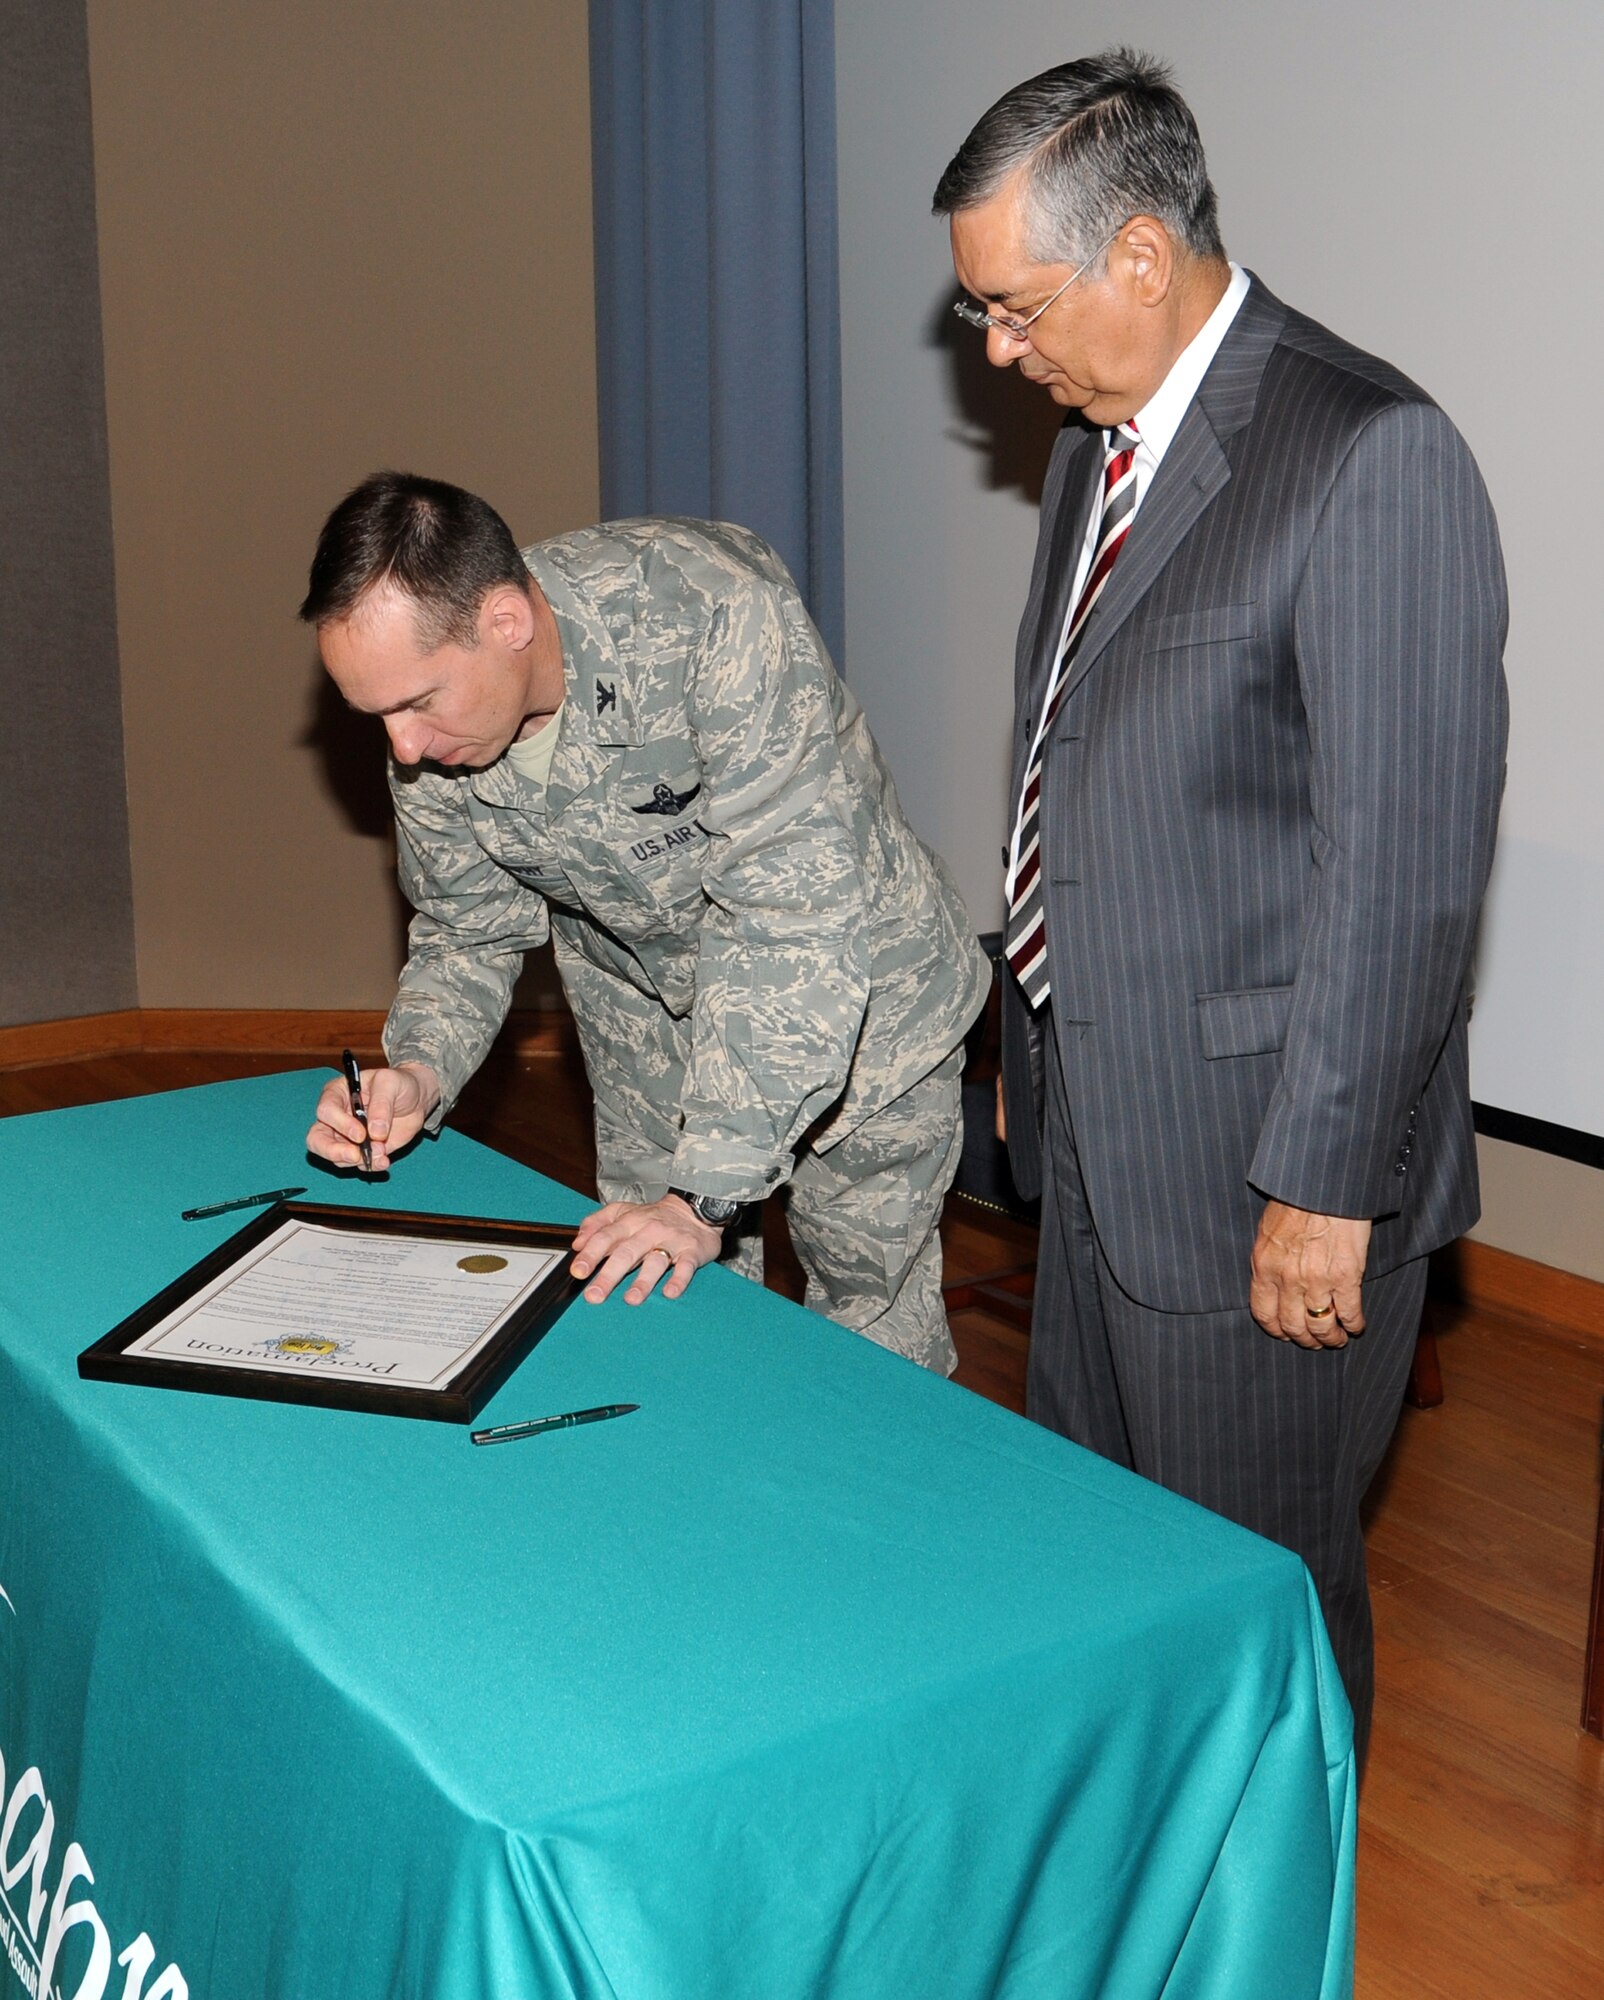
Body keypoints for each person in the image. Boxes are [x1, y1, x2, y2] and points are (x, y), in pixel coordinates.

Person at [933, 50, 1507, 1757]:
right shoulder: (1089, 454)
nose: (989, 349)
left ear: (1135, 255)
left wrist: (1324, 1182)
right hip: (1096, 1140)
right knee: (1104, 1575)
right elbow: (1084, 773)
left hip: (1267, 1176)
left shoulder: (1364, 453)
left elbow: (1401, 870)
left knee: (1257, 1603)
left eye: (1009, 305)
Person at [300, 474, 990, 1375]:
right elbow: (467, 932)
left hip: (861, 1006)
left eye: (418, 701)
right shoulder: (432, 741)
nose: (401, 750)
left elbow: (791, 920)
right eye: (375, 715)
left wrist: (701, 1198)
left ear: (507, 622)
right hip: (649, 1026)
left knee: (864, 1334)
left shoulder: (713, 616)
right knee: (666, 1320)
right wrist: (420, 1073)